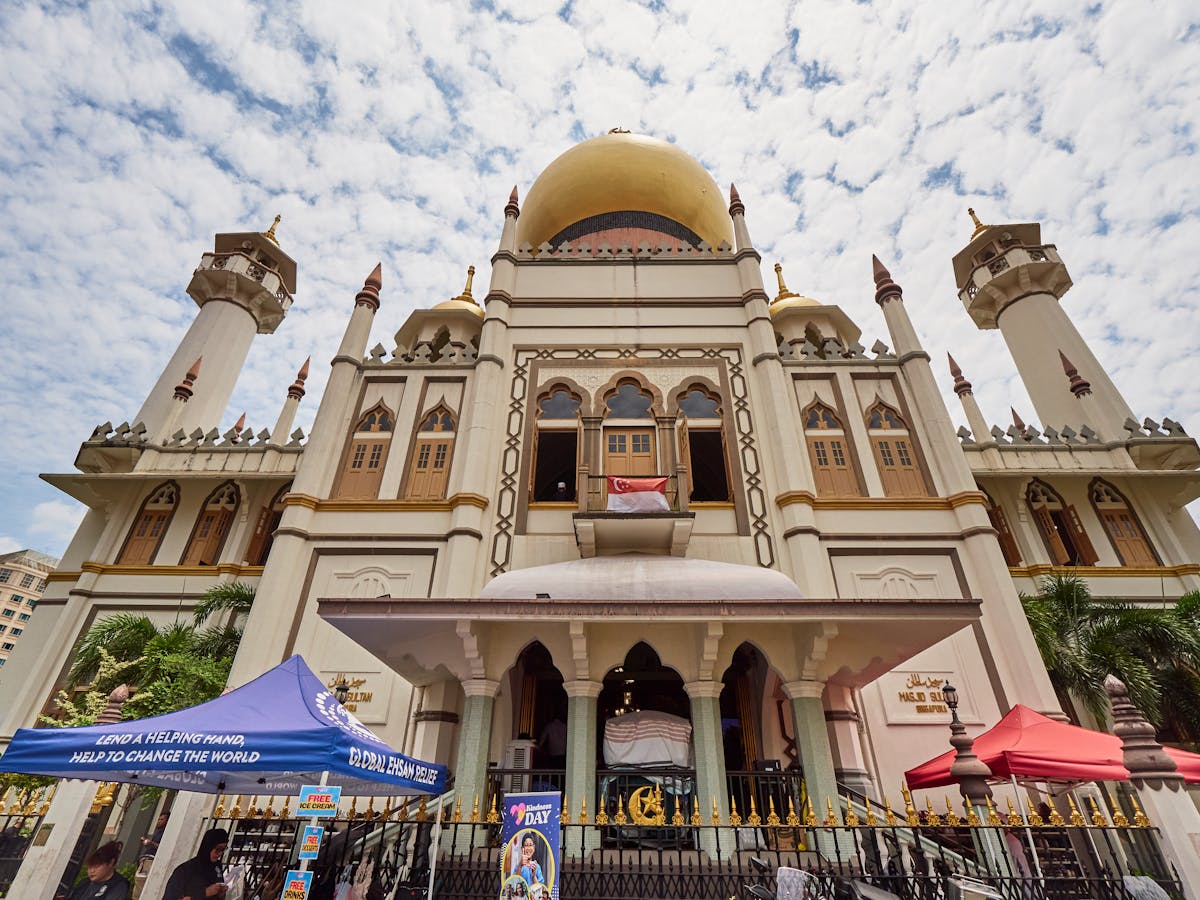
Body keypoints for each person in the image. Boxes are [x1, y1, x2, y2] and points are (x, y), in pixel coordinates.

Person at [161, 827, 228, 900]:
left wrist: (221, 894)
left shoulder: (216, 867)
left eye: (223, 849)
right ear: (208, 846)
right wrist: (205, 893)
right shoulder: (186, 870)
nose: (220, 853)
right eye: (218, 849)